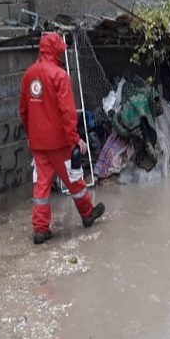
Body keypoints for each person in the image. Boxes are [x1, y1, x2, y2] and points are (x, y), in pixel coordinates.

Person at [19, 34, 105, 244]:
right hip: (59, 143)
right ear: (57, 51)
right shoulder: (59, 75)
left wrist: (32, 136)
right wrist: (76, 139)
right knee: (74, 179)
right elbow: (67, 113)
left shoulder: (29, 75)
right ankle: (87, 214)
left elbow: (23, 111)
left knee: (41, 186)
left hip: (38, 144)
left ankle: (40, 229)